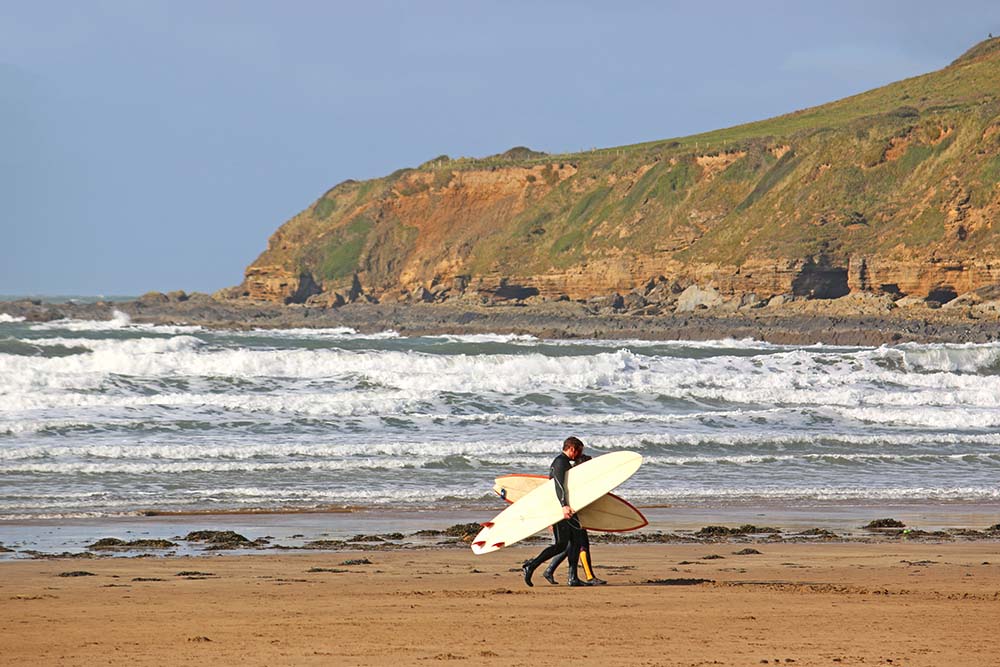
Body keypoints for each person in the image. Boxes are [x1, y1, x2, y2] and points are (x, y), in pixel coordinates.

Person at [521, 436, 590, 587]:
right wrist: (563, 505)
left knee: (576, 542)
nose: (579, 454)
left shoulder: (567, 463)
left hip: (570, 508)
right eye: (579, 451)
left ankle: (573, 578)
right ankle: (531, 565)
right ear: (572, 449)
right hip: (561, 508)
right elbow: (558, 485)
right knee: (560, 544)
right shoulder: (560, 462)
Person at [541, 449, 607, 585]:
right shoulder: (573, 481)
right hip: (569, 517)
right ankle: (588, 576)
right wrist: (552, 520)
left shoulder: (576, 481)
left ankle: (550, 570)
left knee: (571, 546)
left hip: (574, 517)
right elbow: (556, 497)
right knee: (579, 545)